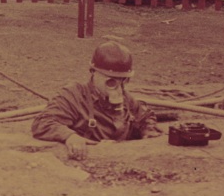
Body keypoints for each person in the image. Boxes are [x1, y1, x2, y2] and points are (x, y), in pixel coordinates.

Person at [31, 41, 162, 160]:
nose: (118, 87)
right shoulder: (74, 95)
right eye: (111, 81)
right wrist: (70, 136)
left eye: (123, 80)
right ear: (94, 73)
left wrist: (148, 129)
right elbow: (43, 123)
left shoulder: (126, 98)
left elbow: (145, 116)